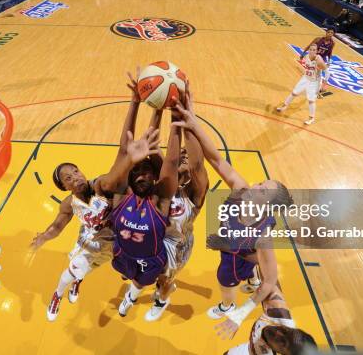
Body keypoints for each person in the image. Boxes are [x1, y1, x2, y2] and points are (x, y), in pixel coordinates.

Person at [30, 84, 158, 322]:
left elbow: (122, 152)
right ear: (64, 187)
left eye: (75, 172)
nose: (75, 177)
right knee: (71, 272)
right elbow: (58, 226)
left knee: (102, 272)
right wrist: (44, 237)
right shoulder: (69, 204)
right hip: (88, 245)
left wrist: (135, 102)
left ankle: (79, 281)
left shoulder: (101, 186)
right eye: (68, 178)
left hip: (118, 245)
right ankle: (58, 295)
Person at [171, 92, 293, 321]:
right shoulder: (241, 190)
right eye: (261, 182)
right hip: (239, 248)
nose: (256, 185)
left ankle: (227, 305)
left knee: (224, 281)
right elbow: (216, 159)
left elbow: (270, 282)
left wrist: (241, 313)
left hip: (234, 260)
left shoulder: (263, 237)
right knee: (253, 265)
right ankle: (251, 277)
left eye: (263, 190)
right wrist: (194, 122)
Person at [110, 85, 182, 318]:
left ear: (155, 176)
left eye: (148, 171)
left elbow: (170, 162)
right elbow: (124, 151)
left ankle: (131, 297)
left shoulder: (160, 201)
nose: (142, 175)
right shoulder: (121, 197)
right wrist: (136, 102)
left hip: (151, 260)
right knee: (132, 277)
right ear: (130, 177)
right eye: (137, 171)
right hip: (122, 253)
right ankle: (132, 292)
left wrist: (169, 112)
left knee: (142, 283)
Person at [144, 82, 209, 322]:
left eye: (187, 154)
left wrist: (186, 120)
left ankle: (162, 298)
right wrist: (157, 107)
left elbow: (198, 164)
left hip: (177, 248)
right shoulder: (165, 178)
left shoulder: (194, 193)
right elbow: (152, 147)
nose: (183, 155)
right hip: (151, 239)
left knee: (164, 280)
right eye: (179, 153)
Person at [218, 280, 317, 355]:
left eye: (283, 342)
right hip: (248, 349)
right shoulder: (278, 311)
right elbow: (269, 277)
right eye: (286, 331)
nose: (278, 333)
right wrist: (241, 313)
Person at [276, 43, 328, 125]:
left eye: (314, 50)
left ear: (317, 51)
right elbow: (308, 68)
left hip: (315, 82)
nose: (312, 51)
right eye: (310, 49)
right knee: (294, 93)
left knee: (311, 101)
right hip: (306, 78)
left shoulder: (319, 60)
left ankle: (311, 118)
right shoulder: (306, 57)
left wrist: (324, 84)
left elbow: (327, 72)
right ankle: (284, 106)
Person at [300, 27, 335, 96]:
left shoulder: (332, 43)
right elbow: (309, 46)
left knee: (322, 74)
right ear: (326, 32)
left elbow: (330, 53)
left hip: (322, 60)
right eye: (329, 32)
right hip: (314, 58)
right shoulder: (318, 39)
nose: (330, 34)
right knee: (319, 75)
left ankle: (319, 88)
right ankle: (318, 89)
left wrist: (329, 62)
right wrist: (303, 53)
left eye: (332, 33)